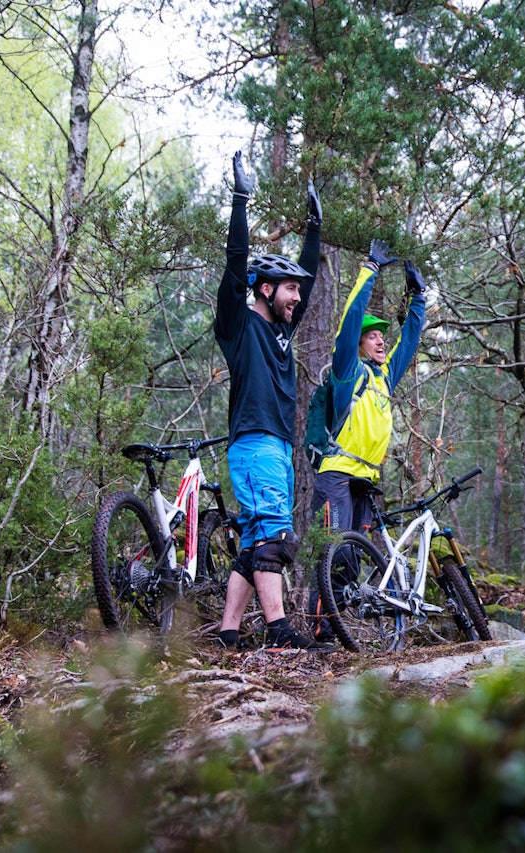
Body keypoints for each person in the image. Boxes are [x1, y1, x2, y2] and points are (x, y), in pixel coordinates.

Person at [214, 151, 327, 651]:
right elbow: (235, 262)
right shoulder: (239, 326)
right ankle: (279, 629)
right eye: (288, 291)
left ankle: (228, 634)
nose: (297, 298)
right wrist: (241, 199)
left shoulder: (283, 331)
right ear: (264, 289)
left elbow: (307, 272)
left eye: (297, 294)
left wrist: (314, 227)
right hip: (254, 442)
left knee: (254, 542)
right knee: (274, 537)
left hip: (277, 446)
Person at [306, 240, 427, 640]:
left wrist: (418, 299)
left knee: (353, 561)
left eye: (380, 337)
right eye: (371, 336)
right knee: (334, 554)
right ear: (358, 344)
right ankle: (321, 638)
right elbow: (349, 319)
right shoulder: (348, 373)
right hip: (336, 476)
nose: (379, 341)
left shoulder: (382, 379)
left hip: (365, 482)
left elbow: (408, 343)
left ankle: (338, 637)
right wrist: (371, 268)